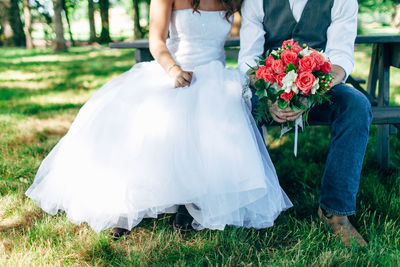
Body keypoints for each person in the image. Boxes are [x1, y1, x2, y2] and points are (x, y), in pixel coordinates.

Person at [25, 0, 292, 240]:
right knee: (150, 116)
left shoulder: (234, 0)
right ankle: (128, 206)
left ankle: (191, 202)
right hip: (174, 70)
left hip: (215, 75)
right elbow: (157, 41)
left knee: (216, 110)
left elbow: (254, 34)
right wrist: (173, 70)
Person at [238, 0, 372, 246]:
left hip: (320, 87)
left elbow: (341, 57)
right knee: (238, 105)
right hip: (268, 88)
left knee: (356, 105)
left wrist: (310, 92)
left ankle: (335, 211)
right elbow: (249, 59)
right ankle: (251, 203)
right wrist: (270, 97)